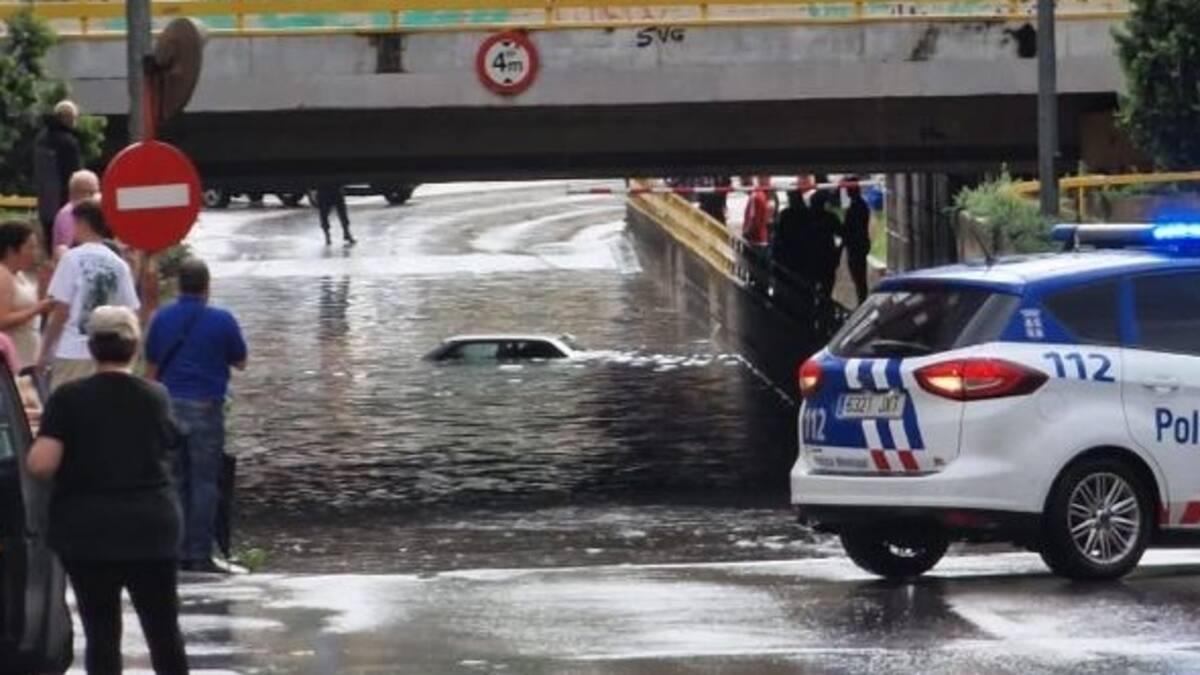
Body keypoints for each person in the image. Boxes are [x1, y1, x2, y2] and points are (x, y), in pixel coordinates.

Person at [27, 305, 189, 674]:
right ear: (134, 347)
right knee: (164, 629)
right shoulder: (156, 396)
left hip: (90, 533)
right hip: (152, 529)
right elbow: (172, 443)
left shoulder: (68, 399)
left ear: (92, 346)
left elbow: (42, 463)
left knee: (101, 633)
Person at [145, 258, 247, 573]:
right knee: (204, 482)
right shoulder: (222, 319)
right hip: (206, 405)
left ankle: (174, 551)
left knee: (174, 479)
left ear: (178, 285)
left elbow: (150, 368)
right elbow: (241, 361)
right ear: (207, 285)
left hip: (170, 406)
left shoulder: (161, 318)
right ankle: (200, 554)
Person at [38, 199, 140, 392]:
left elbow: (61, 310)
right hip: (106, 353)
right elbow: (129, 311)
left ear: (82, 223)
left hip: (71, 349)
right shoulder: (118, 264)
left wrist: (45, 350)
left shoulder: (71, 259)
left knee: (67, 410)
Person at [0, 222, 53, 367]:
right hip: (14, 355)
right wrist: (37, 309)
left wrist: (44, 285)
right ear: (12, 249)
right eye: (30, 247)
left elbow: (36, 306)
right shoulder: (3, 275)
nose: (35, 252)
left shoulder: (20, 274)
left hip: (29, 352)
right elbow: (2, 320)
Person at [33, 101, 83, 254]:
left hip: (45, 204)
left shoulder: (41, 138)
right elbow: (75, 176)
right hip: (65, 203)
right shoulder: (68, 142)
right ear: (69, 118)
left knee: (51, 248)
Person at [804, 189, 843, 300]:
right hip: (825, 258)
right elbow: (843, 235)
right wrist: (838, 252)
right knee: (825, 291)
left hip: (813, 259)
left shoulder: (807, 217)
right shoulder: (830, 218)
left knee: (811, 290)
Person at [51, 169, 100, 257]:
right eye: (86, 192)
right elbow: (68, 251)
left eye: (94, 192)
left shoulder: (92, 214)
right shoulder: (67, 216)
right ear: (72, 193)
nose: (91, 197)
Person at [843, 182, 873, 304]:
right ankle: (861, 301)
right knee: (859, 278)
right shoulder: (860, 205)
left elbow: (850, 228)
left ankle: (862, 302)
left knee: (859, 278)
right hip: (858, 245)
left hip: (856, 246)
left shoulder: (856, 207)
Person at [742, 176, 771, 245]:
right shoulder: (760, 195)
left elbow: (754, 220)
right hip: (760, 238)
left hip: (755, 240)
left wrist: (745, 233)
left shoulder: (755, 196)